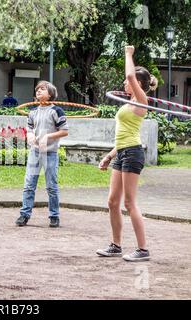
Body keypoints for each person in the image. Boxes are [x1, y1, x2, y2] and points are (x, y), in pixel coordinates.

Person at [96, 45, 158, 262]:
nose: (124, 83)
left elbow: (130, 74)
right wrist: (109, 155)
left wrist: (128, 54)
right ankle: (116, 245)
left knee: (129, 203)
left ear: (138, 85)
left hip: (132, 153)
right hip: (122, 152)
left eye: (128, 82)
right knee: (112, 202)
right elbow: (124, 135)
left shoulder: (141, 101)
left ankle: (143, 249)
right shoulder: (130, 102)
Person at [15, 81, 69, 228]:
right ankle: (24, 215)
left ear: (50, 94)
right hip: (35, 153)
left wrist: (48, 136)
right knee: (29, 185)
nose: (38, 91)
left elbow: (64, 131)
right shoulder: (32, 112)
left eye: (42, 89)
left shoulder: (57, 111)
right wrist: (30, 135)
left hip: (50, 153)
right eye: (37, 89)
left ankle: (54, 216)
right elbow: (29, 128)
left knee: (51, 186)